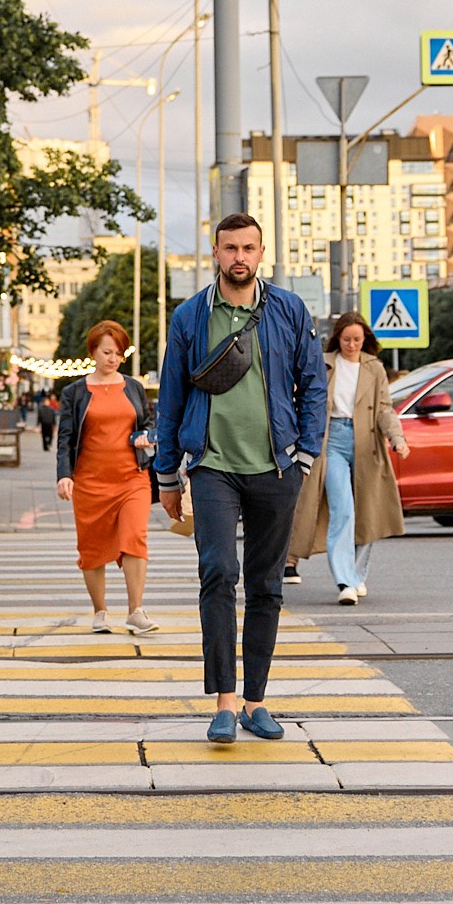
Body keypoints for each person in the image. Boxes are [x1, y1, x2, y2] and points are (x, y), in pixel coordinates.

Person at [153, 213, 327, 745]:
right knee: (218, 574)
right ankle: (225, 703)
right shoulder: (190, 315)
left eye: (248, 248)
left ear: (261, 252)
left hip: (276, 466)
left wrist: (305, 454)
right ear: (215, 252)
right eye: (230, 248)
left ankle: (256, 702)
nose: (239, 258)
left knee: (266, 585)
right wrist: (166, 475)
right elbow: (171, 397)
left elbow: (312, 384)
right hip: (212, 467)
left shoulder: (289, 309)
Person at [290, 311, 410, 605]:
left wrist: (397, 438)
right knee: (342, 510)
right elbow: (306, 401)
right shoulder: (324, 364)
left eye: (357, 339)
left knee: (367, 512)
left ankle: (357, 575)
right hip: (332, 441)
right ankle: (345, 581)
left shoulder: (374, 368)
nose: (352, 345)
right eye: (346, 339)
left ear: (365, 339)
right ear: (337, 338)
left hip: (367, 443)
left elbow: (384, 409)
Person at [54, 320, 158, 635]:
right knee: (92, 549)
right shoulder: (74, 392)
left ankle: (135, 611)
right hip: (90, 482)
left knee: (134, 538)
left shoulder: (133, 387)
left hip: (132, 478)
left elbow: (148, 422)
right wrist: (64, 475)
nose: (113, 359)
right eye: (107, 352)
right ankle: (100, 611)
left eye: (118, 353)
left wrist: (146, 435)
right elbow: (66, 438)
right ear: (93, 352)